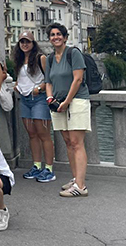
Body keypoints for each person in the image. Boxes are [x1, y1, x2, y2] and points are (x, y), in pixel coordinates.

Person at [45, 23, 91, 197]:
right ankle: (75, 178)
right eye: (52, 35)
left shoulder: (74, 54)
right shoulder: (50, 58)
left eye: (58, 34)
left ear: (65, 37)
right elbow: (48, 81)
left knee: (77, 142)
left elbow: (78, 79)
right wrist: (51, 99)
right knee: (68, 142)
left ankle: (81, 186)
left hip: (77, 101)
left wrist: (67, 101)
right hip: (58, 103)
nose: (55, 37)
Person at [13, 31, 55, 182]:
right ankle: (37, 165)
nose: (25, 44)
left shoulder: (40, 58)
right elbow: (20, 76)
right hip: (24, 98)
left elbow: (49, 78)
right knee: (32, 134)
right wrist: (17, 85)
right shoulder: (18, 59)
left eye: (28, 42)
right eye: (22, 42)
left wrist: (40, 88)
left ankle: (49, 167)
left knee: (43, 134)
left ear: (33, 43)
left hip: (38, 98)